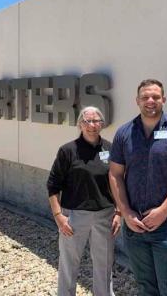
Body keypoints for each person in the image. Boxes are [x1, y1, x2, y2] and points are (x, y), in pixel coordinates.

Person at [109, 79, 167, 296]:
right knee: (145, 286)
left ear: (164, 99)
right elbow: (115, 174)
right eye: (145, 97)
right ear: (137, 101)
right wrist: (126, 213)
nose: (150, 101)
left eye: (156, 97)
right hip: (134, 226)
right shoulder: (124, 134)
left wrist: (162, 211)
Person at [47, 106, 121, 296]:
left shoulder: (110, 149)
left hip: (105, 215)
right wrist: (58, 216)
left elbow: (118, 182)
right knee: (68, 264)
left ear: (102, 124)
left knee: (104, 266)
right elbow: (53, 186)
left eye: (96, 121)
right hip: (73, 216)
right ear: (80, 124)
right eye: (87, 121)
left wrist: (119, 213)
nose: (91, 125)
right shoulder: (67, 151)